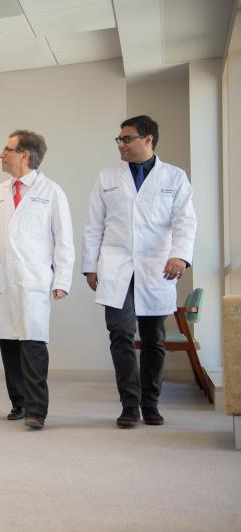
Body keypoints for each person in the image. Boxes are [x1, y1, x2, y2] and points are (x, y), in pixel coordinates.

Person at [82, 115, 197, 428]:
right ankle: (129, 404)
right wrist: (90, 267)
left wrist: (180, 256)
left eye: (127, 138)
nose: (121, 144)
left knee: (153, 339)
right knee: (119, 333)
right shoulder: (107, 177)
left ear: (148, 140)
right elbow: (94, 226)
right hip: (116, 265)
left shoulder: (174, 177)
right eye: (119, 139)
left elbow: (185, 222)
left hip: (157, 266)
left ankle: (151, 403)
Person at [0, 130, 74, 430]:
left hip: (34, 278)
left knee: (32, 343)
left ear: (25, 155)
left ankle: (36, 410)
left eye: (7, 149)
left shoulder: (51, 191)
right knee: (8, 341)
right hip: (2, 276)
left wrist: (62, 280)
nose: (2, 154)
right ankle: (18, 403)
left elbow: (64, 240)